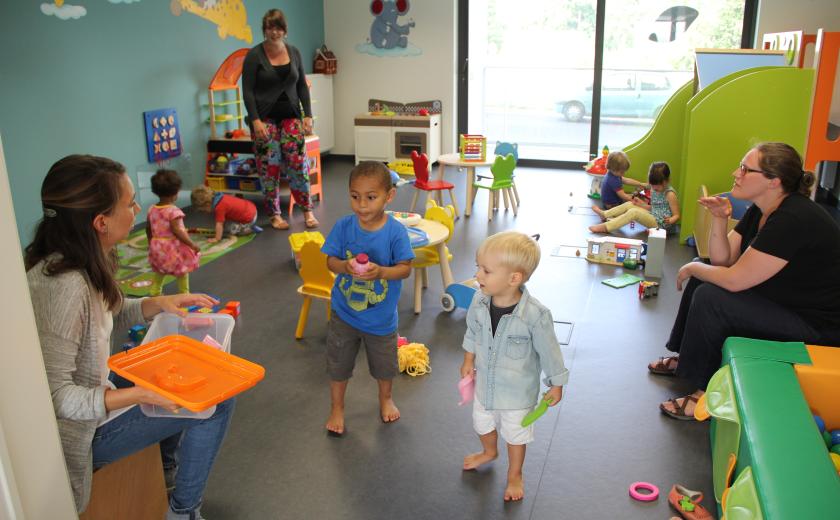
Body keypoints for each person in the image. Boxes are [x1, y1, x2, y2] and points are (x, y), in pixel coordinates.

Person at [25, 154, 235, 519]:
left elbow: (108, 313)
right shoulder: (65, 287)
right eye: (129, 203)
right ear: (101, 222)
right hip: (84, 435)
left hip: (97, 393)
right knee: (216, 400)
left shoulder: (80, 259)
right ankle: (184, 511)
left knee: (179, 372)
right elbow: (57, 399)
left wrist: (159, 303)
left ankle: (165, 470)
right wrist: (137, 394)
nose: (137, 209)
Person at [648, 142, 840, 420]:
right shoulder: (762, 208)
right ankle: (686, 359)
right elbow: (722, 261)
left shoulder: (793, 218)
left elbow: (735, 280)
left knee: (710, 296)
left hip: (817, 327)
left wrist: (692, 267)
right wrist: (719, 219)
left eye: (745, 169)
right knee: (703, 277)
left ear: (773, 181)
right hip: (786, 303)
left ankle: (705, 396)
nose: (735, 174)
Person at [460, 231, 569, 501]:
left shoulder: (535, 315)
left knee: (516, 435)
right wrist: (468, 359)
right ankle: (489, 452)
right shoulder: (478, 301)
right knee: (481, 423)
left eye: (486, 270)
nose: (477, 274)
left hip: (517, 394)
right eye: (478, 267)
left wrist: (556, 384)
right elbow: (472, 331)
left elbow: (550, 353)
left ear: (514, 279)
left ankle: (515, 474)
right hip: (485, 386)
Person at [321, 161, 414, 436]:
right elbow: (330, 261)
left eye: (371, 197)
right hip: (344, 313)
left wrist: (382, 272)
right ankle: (337, 408)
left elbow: (405, 269)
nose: (361, 205)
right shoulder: (343, 226)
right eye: (355, 196)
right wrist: (344, 266)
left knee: (384, 367)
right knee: (338, 365)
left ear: (389, 196)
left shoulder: (395, 232)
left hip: (380, 319)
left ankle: (386, 399)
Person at [242, 8, 318, 231]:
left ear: (284, 30)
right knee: (269, 167)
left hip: (291, 116)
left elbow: (301, 85)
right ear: (264, 30)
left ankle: (307, 211)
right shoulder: (254, 55)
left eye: (277, 28)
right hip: (264, 119)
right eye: (269, 28)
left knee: (298, 164)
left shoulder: (294, 52)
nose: (273, 32)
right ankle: (274, 214)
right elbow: (247, 91)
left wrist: (308, 115)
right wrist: (255, 120)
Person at [146, 169, 200, 296]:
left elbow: (148, 228)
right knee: (182, 270)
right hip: (172, 247)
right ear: (174, 193)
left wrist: (151, 243)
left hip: (157, 246)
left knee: (160, 270)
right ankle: (184, 294)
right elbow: (178, 231)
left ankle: (155, 292)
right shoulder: (173, 211)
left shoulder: (151, 209)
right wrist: (192, 244)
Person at [590, 161, 680, 233]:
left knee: (634, 212)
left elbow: (677, 215)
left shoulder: (670, 194)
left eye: (657, 187)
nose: (654, 189)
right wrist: (641, 204)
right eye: (652, 186)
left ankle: (606, 227)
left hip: (662, 226)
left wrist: (671, 220)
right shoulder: (654, 188)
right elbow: (654, 208)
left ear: (667, 181)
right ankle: (605, 214)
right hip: (654, 216)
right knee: (630, 204)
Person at [191, 184, 261, 244]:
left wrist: (217, 238)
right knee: (225, 222)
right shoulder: (220, 196)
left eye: (204, 210)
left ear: (207, 204)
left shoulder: (219, 207)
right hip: (251, 208)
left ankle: (249, 229)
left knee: (231, 229)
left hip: (250, 217)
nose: (205, 212)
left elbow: (219, 224)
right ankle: (246, 226)